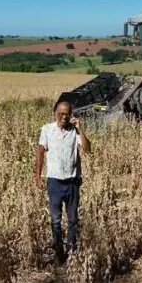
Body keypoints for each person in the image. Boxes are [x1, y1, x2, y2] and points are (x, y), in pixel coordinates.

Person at [34, 101, 90, 263]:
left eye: (67, 114)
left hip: (72, 181)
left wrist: (80, 129)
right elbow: (40, 153)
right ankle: (59, 252)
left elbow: (86, 149)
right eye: (61, 113)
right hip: (54, 182)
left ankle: (72, 251)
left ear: (71, 115)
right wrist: (38, 176)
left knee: (73, 219)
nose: (64, 117)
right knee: (56, 220)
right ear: (55, 113)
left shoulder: (75, 132)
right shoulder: (47, 130)